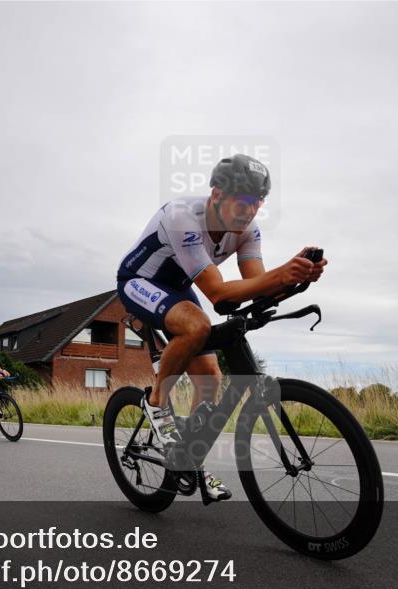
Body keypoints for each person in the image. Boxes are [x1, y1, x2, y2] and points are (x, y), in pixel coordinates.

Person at [116, 154, 327, 500]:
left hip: (181, 285)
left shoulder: (247, 232)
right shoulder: (183, 216)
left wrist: (297, 276)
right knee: (196, 326)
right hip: (139, 280)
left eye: (257, 203)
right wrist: (282, 273)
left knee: (211, 377)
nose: (250, 210)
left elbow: (257, 285)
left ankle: (190, 459)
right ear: (216, 194)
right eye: (242, 201)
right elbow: (217, 294)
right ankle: (156, 403)